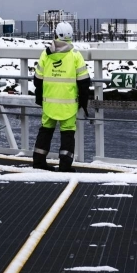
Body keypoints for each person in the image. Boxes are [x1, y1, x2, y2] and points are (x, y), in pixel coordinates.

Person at [32, 22, 91, 172]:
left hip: (49, 104)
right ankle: (64, 166)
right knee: (67, 134)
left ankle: (38, 162)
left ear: (55, 34)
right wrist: (84, 103)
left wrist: (40, 99)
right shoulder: (76, 56)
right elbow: (84, 83)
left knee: (45, 130)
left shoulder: (46, 54)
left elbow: (37, 80)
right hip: (69, 105)